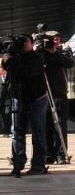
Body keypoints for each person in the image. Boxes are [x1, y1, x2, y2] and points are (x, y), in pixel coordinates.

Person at [6, 36, 49, 177]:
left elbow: (29, 72)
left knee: (38, 132)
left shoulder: (37, 57)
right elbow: (7, 67)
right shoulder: (14, 58)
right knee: (17, 132)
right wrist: (12, 56)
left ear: (32, 44)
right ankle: (18, 162)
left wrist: (15, 59)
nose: (24, 44)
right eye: (21, 43)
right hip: (19, 98)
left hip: (37, 98)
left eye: (26, 42)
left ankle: (38, 165)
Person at [41, 34, 74, 163]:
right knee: (47, 125)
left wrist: (55, 52)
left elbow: (70, 63)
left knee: (60, 125)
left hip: (59, 93)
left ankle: (61, 154)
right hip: (44, 94)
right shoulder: (40, 54)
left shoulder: (63, 52)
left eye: (56, 39)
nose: (54, 42)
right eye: (51, 40)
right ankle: (49, 154)